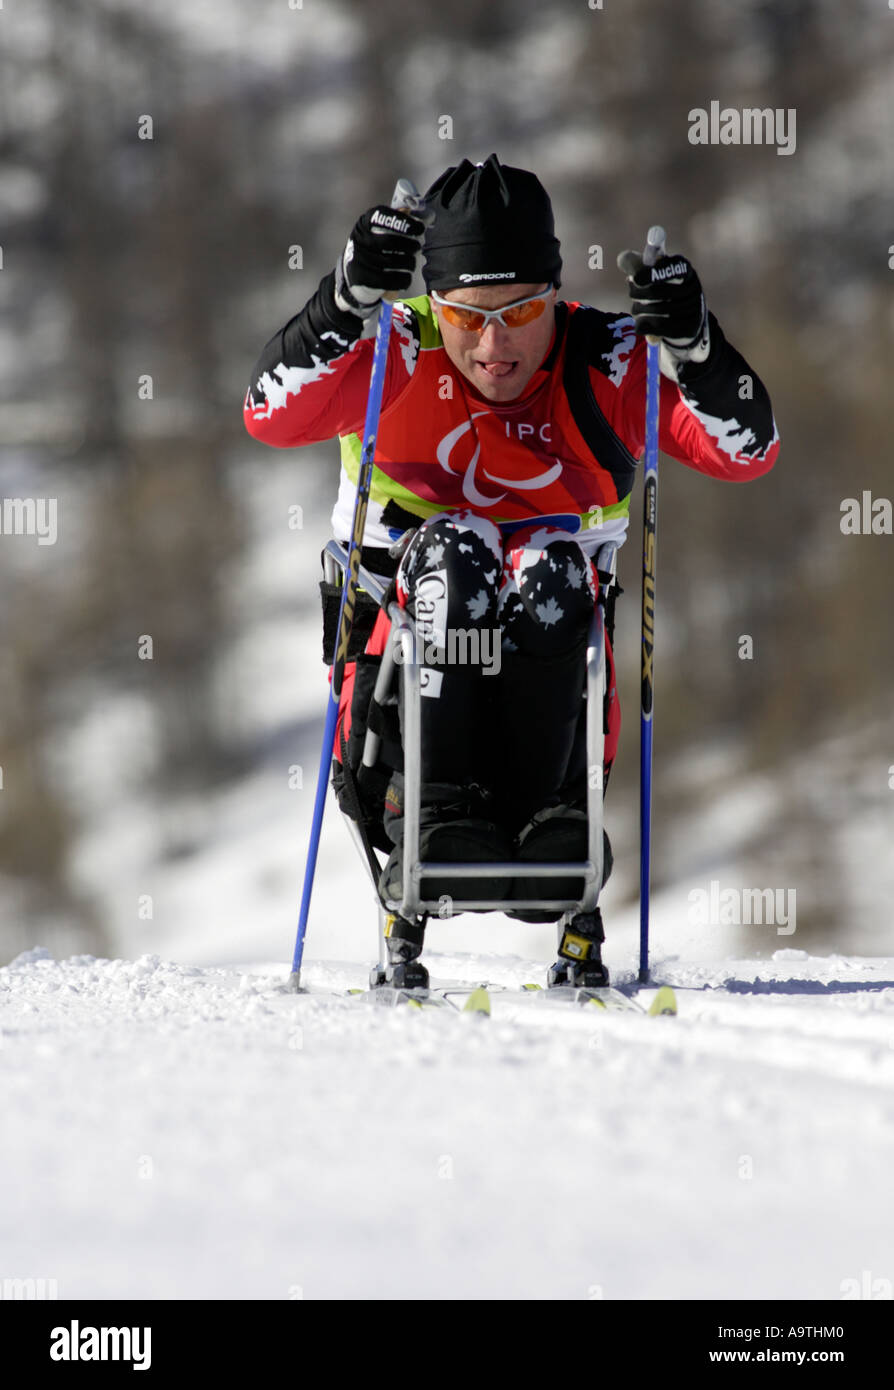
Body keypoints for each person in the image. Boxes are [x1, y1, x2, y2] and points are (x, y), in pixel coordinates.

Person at [244, 153, 779, 990]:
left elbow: (747, 453)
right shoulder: (397, 346)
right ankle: (434, 812)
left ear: (555, 296)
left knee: (552, 566)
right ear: (435, 303)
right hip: (402, 655)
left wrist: (696, 343)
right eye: (466, 315)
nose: (493, 346)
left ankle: (548, 821)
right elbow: (268, 416)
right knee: (457, 559)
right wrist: (341, 302)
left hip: (557, 664)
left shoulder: (603, 360)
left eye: (521, 311)